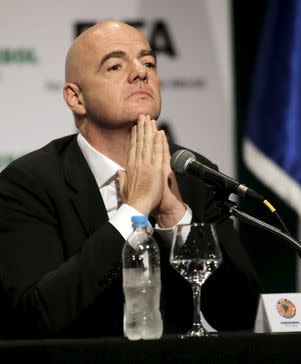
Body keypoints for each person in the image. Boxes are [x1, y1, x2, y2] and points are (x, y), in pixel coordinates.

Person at [0, 20, 260, 339]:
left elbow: (242, 315)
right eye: (115, 66)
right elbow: (34, 317)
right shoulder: (30, 182)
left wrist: (174, 217)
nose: (141, 72)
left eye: (148, 62)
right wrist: (134, 211)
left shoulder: (191, 173)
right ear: (75, 98)